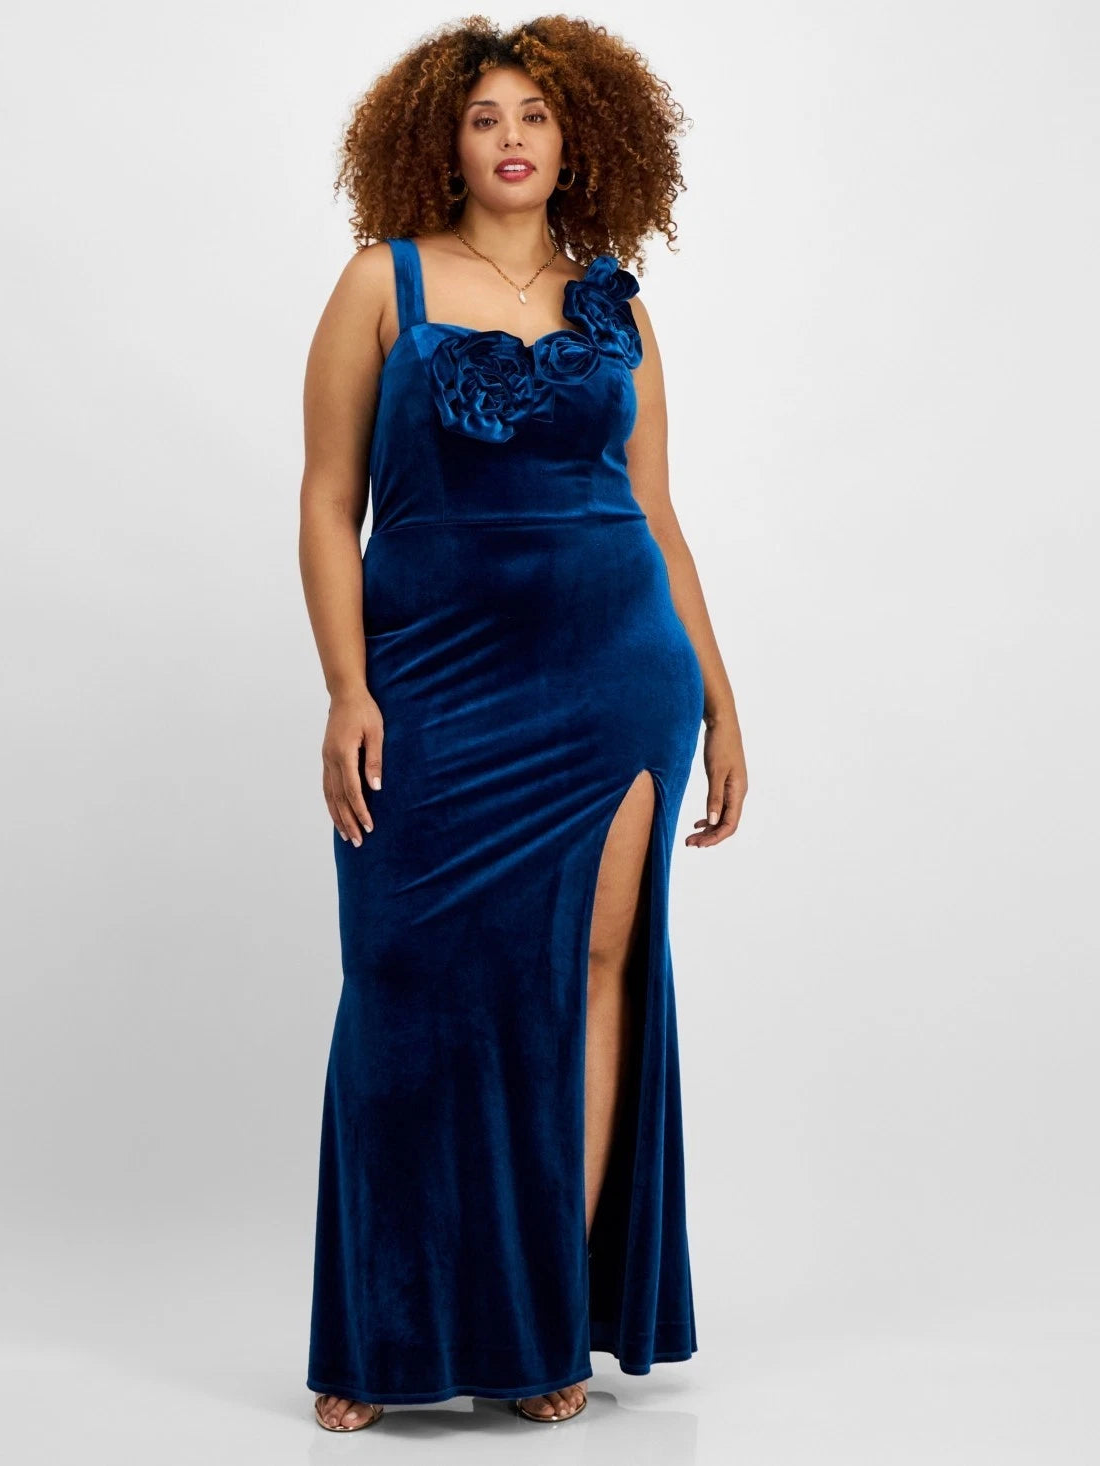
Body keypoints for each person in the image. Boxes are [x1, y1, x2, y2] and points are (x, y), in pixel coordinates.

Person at [297, 15, 748, 1434]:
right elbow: (327, 498)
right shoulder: (382, 281)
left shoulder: (617, 304)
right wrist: (348, 686)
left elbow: (656, 509)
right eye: (486, 114)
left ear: (577, 139)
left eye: (536, 116)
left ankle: (547, 1318)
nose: (511, 137)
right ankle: (378, 1335)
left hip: (618, 681)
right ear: (444, 137)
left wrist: (722, 697)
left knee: (594, 973)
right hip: (430, 683)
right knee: (403, 988)